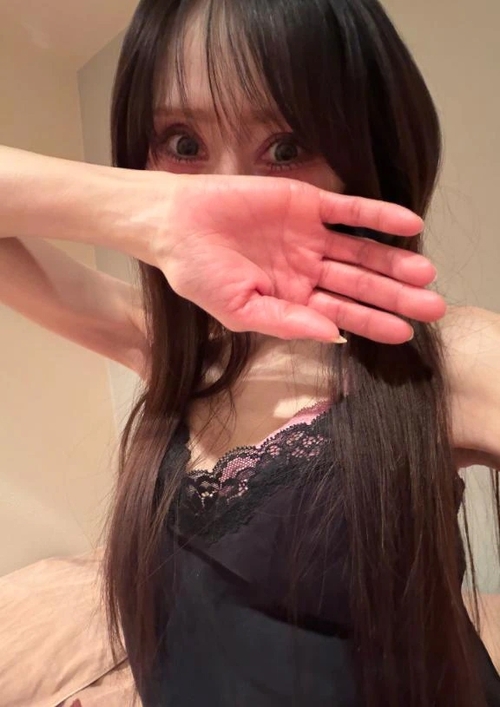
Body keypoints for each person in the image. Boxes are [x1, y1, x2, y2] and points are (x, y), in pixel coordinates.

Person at [0, 0, 499, 706]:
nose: (225, 199)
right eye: (182, 143)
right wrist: (150, 210)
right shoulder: (165, 348)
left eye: (287, 148)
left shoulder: (444, 364)